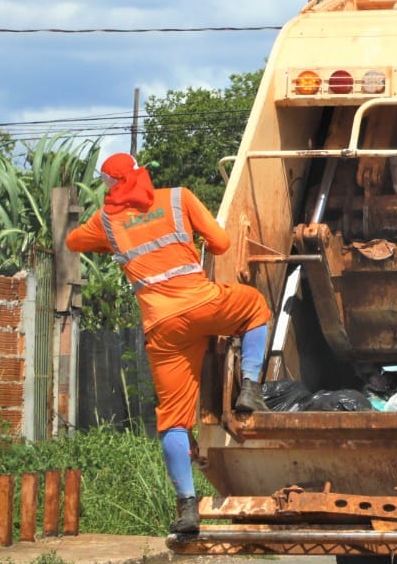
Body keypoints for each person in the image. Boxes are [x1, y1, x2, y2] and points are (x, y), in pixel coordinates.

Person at [65, 153, 271, 535]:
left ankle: (187, 509)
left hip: (163, 327)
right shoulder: (178, 197)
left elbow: (73, 240)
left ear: (109, 185)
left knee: (173, 420)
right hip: (204, 304)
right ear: (141, 171)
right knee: (255, 306)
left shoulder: (107, 221)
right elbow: (222, 243)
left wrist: (115, 236)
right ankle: (250, 389)